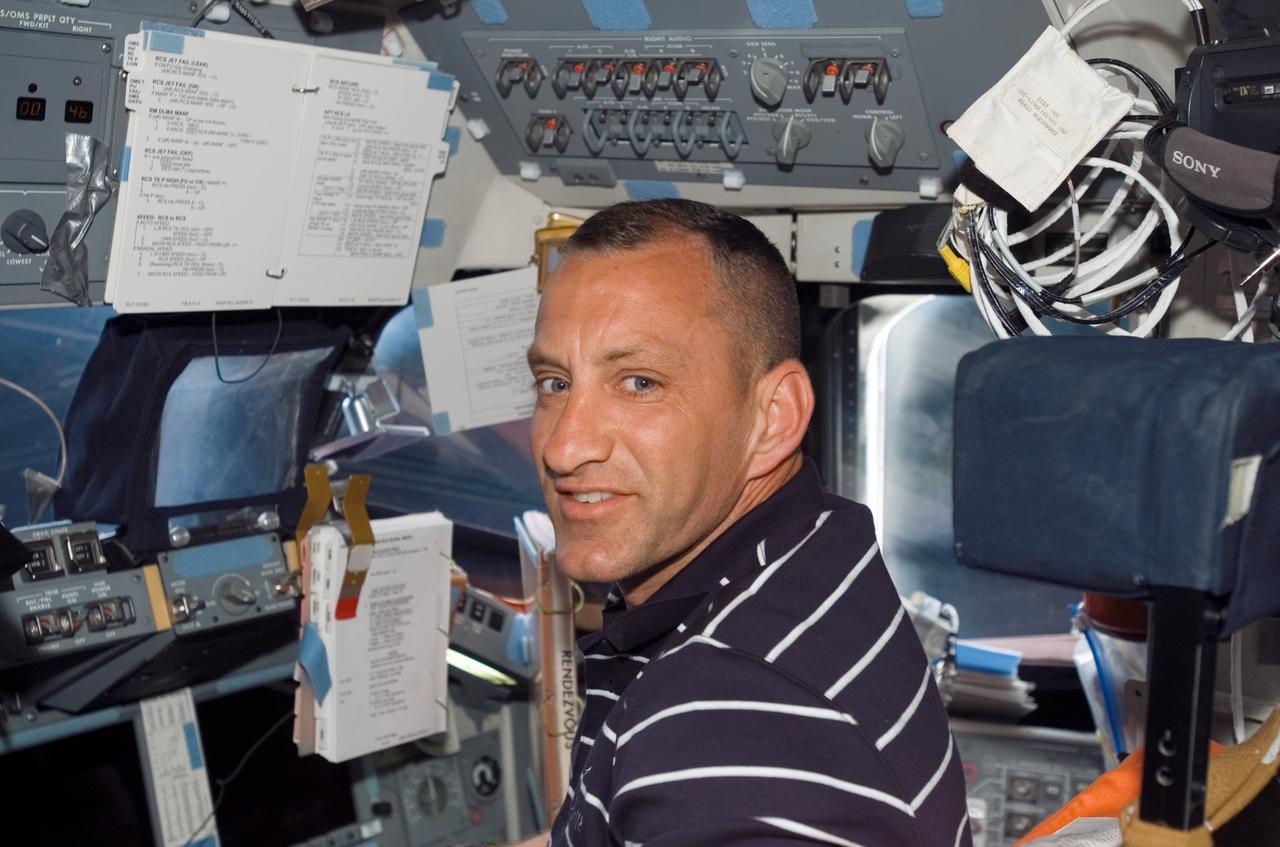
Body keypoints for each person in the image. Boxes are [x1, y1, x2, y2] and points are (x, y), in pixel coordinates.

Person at [521, 198, 970, 846]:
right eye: (555, 382)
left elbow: (711, 771)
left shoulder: (719, 719)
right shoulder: (814, 545)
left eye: (639, 382)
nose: (564, 447)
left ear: (774, 418)